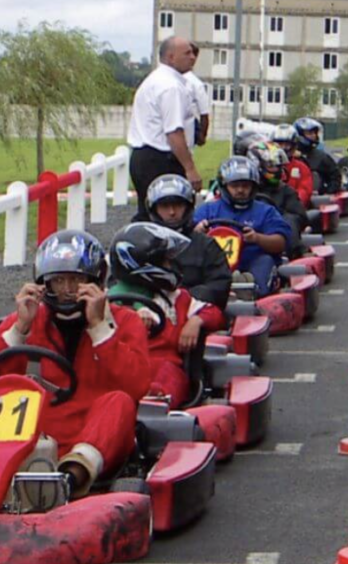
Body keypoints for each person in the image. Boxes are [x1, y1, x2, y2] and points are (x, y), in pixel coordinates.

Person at [0, 230, 150, 503]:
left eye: (76, 280)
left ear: (94, 281)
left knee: (120, 401)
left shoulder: (125, 322)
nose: (67, 290)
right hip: (36, 436)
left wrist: (99, 329)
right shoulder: (27, 319)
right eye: (58, 280)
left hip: (96, 436)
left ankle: (66, 481)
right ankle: (20, 477)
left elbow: (138, 386)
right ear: (44, 283)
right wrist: (19, 329)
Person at [108, 223, 224, 409]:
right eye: (165, 262)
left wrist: (195, 321)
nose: (171, 266)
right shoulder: (111, 301)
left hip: (164, 366)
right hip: (123, 366)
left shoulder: (178, 298)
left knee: (166, 375)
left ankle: (153, 406)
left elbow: (215, 313)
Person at [192, 156, 292, 298]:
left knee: (265, 261)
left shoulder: (265, 211)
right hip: (213, 264)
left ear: (253, 187)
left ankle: (251, 291)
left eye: (245, 186)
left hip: (251, 261)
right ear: (224, 186)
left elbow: (281, 243)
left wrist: (257, 238)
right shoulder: (207, 210)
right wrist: (197, 232)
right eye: (235, 186)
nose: (240, 190)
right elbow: (185, 240)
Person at [128, 36, 203, 220]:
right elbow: (174, 132)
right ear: (170, 57)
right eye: (187, 53)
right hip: (160, 160)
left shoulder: (156, 79)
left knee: (148, 214)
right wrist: (190, 168)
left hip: (144, 157)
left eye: (192, 53)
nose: (193, 57)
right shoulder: (171, 87)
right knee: (169, 218)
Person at [146, 174, 232, 311]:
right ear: (153, 208)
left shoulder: (206, 245)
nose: (172, 212)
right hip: (150, 314)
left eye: (178, 205)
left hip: (194, 315)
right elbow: (120, 285)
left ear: (189, 206)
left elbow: (219, 287)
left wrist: (182, 299)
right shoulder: (142, 244)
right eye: (164, 206)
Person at [249, 141, 308, 253]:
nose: (277, 170)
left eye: (278, 165)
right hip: (246, 236)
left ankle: (291, 252)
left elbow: (300, 217)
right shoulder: (245, 191)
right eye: (271, 165)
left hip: (276, 238)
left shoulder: (286, 191)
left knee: (290, 218)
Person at [294, 117, 341, 195]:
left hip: (315, 199)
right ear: (300, 134)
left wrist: (328, 193)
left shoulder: (321, 157)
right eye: (309, 133)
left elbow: (335, 177)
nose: (313, 136)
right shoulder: (289, 157)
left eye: (314, 133)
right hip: (292, 198)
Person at [272, 123, 313, 207]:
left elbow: (304, 191)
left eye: (286, 144)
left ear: (294, 146)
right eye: (279, 144)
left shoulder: (302, 168)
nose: (282, 148)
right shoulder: (266, 167)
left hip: (291, 210)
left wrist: (291, 202)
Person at [185, 43, 210, 148]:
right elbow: (204, 114)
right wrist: (202, 136)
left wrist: (201, 135)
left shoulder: (196, 84)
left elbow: (204, 114)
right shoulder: (195, 84)